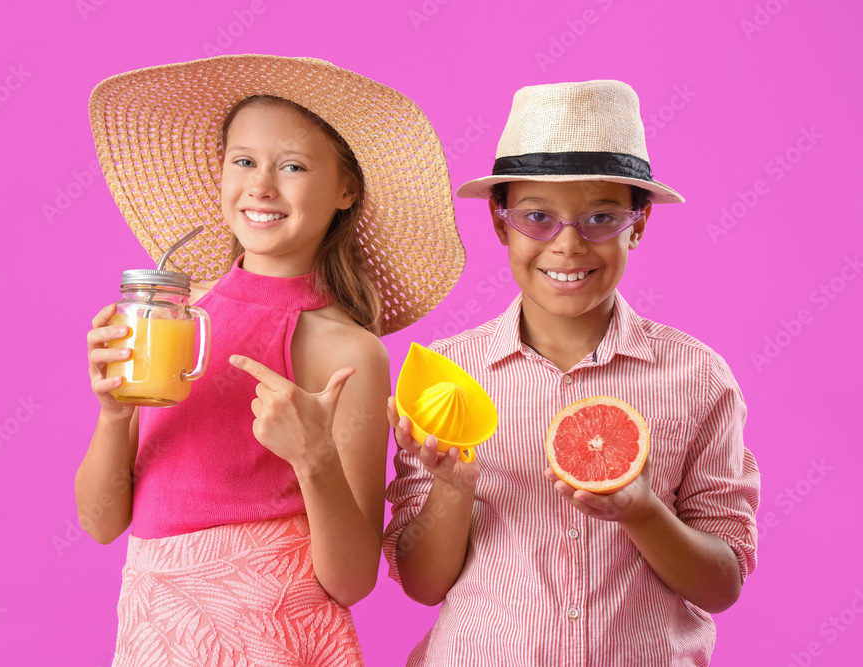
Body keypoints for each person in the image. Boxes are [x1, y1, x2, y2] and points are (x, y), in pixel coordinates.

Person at [75, 55, 465, 666]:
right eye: (244, 161)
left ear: (345, 190)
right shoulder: (169, 321)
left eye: (293, 167)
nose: (260, 186)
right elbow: (102, 524)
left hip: (280, 635)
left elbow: (352, 580)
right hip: (158, 627)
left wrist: (314, 458)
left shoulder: (348, 351)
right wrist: (112, 416)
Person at [383, 80, 760, 666]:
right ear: (499, 223)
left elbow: (721, 584)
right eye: (537, 217)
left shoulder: (696, 376)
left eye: (601, 218)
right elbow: (422, 584)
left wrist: (641, 510)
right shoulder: (446, 377)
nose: (567, 244)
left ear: (638, 226)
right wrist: (454, 487)